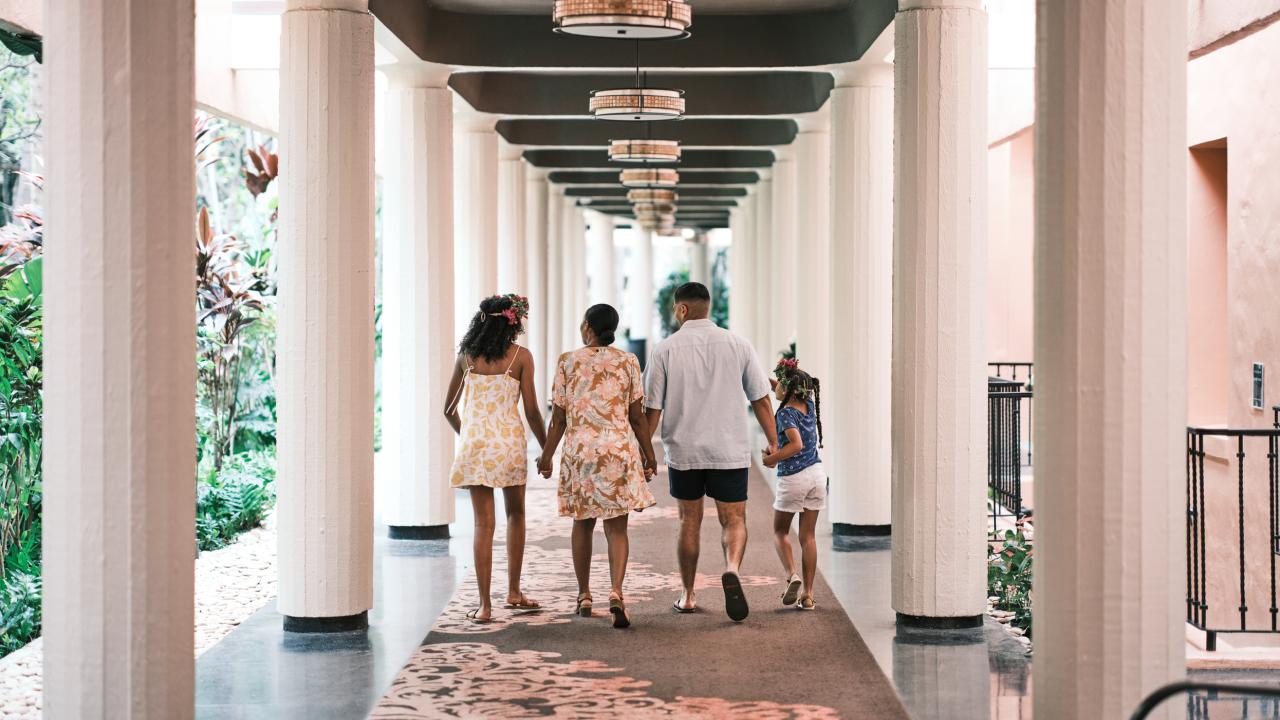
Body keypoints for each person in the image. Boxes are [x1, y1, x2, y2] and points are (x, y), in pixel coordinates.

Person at [644, 282, 778, 621]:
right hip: (728, 447)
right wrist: (775, 442)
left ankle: (687, 595)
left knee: (689, 520)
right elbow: (761, 398)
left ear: (682, 309)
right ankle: (731, 567)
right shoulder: (738, 344)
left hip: (684, 450)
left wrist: (643, 452)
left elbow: (652, 410)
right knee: (733, 519)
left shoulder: (665, 349)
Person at [538, 304, 658, 629]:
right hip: (617, 450)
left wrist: (547, 455)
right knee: (617, 528)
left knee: (583, 523)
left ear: (588, 326)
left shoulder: (567, 361)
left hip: (580, 452)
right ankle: (616, 592)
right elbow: (637, 417)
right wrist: (649, 454)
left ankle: (584, 594)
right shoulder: (628, 361)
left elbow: (558, 419)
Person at [444, 293, 547, 624]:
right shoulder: (521, 357)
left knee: (482, 524)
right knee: (515, 515)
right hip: (508, 445)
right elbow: (532, 411)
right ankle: (514, 592)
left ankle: (485, 605)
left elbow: (448, 409)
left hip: (476, 446)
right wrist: (546, 448)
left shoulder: (467, 357)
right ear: (513, 323)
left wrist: (470, 434)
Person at [761, 359, 825, 611]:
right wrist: (765, 377)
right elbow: (782, 387)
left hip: (793, 477)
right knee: (808, 536)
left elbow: (795, 444)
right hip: (817, 475)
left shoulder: (786, 413)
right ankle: (808, 595)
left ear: (787, 390)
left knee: (780, 532)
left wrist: (771, 459)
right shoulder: (808, 403)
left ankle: (792, 575)